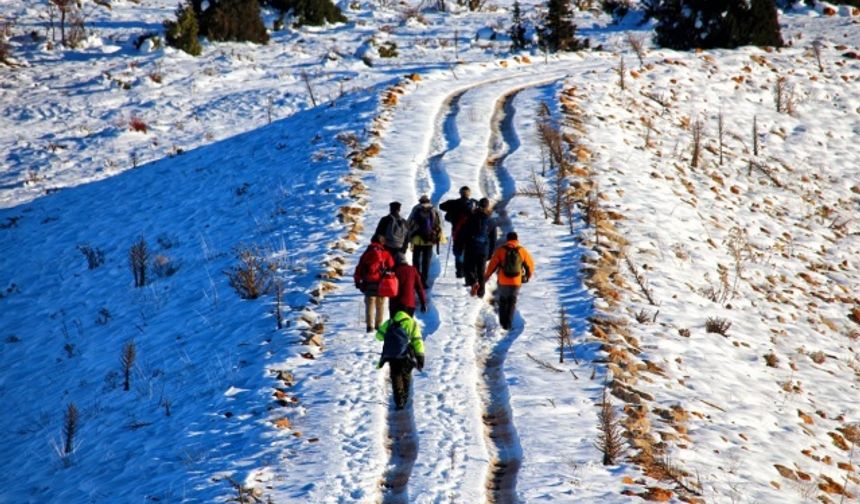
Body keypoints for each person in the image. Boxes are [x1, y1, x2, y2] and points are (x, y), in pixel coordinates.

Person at [484, 231, 535, 330]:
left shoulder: (501, 250)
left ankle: (502, 322)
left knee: (503, 300)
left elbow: (492, 265)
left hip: (503, 280)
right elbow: (530, 265)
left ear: (507, 240)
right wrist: (527, 277)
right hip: (516, 281)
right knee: (512, 301)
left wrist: (487, 276)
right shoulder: (522, 250)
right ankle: (508, 324)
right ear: (517, 240)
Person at [376, 311, 425, 410]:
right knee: (406, 374)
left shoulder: (390, 322)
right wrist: (420, 356)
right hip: (406, 355)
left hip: (393, 356)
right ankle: (405, 396)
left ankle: (399, 401)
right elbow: (417, 340)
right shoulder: (412, 323)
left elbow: (378, 337)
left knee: (395, 376)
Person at [354, 234, 395, 333]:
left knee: (370, 304)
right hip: (381, 282)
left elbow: (359, 267)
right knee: (380, 305)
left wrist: (357, 281)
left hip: (368, 281)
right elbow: (391, 264)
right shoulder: (385, 253)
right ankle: (378, 325)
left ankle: (369, 326)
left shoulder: (367, 253)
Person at [439, 186, 478, 280]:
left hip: (457, 231)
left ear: (460, 193)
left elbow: (441, 206)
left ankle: (459, 272)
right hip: (471, 232)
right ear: (469, 193)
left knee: (458, 252)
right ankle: (468, 271)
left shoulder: (454, 203)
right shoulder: (474, 203)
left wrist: (451, 210)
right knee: (469, 252)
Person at [407, 195, 444, 287]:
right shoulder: (434, 209)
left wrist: (409, 234)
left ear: (420, 201)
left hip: (417, 239)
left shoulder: (416, 209)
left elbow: (409, 222)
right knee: (426, 260)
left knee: (416, 260)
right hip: (429, 239)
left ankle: (416, 279)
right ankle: (424, 281)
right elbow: (439, 224)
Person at [463, 197, 497, 298]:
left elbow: (465, 233)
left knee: (468, 267)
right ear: (487, 206)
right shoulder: (491, 221)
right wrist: (490, 253)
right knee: (481, 272)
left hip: (471, 247)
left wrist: (464, 245)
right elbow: (493, 239)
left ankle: (473, 282)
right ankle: (481, 293)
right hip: (484, 250)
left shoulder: (472, 217)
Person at [389, 252, 428, 319]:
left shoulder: (394, 271)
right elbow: (419, 288)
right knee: (407, 327)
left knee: (394, 327)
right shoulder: (413, 270)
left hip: (395, 304)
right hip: (410, 304)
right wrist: (423, 302)